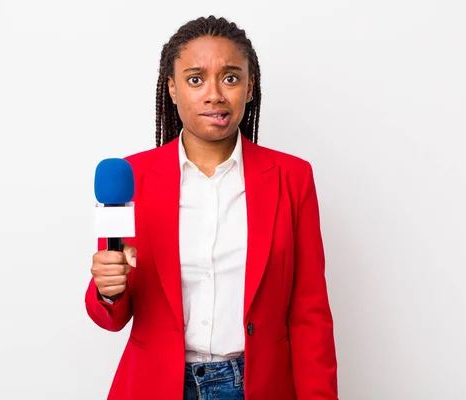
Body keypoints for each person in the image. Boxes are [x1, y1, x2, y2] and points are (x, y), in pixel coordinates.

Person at [85, 15, 338, 399]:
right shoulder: (132, 177)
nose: (214, 93)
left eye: (231, 78)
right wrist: (107, 290)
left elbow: (310, 314)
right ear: (171, 88)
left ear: (250, 87)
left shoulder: (292, 177)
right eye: (195, 78)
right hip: (156, 386)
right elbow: (113, 315)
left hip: (258, 386)